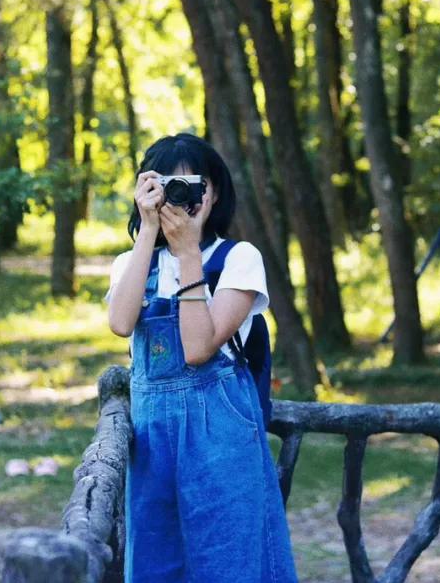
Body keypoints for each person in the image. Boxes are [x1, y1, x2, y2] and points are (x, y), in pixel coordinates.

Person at [105, 133, 298, 583]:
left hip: (220, 434)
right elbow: (120, 322)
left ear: (215, 192)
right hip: (152, 439)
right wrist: (149, 230)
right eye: (166, 186)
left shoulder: (238, 258)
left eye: (194, 185)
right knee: (155, 562)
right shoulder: (132, 263)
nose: (182, 197)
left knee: (229, 561)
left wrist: (188, 252)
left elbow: (198, 349)